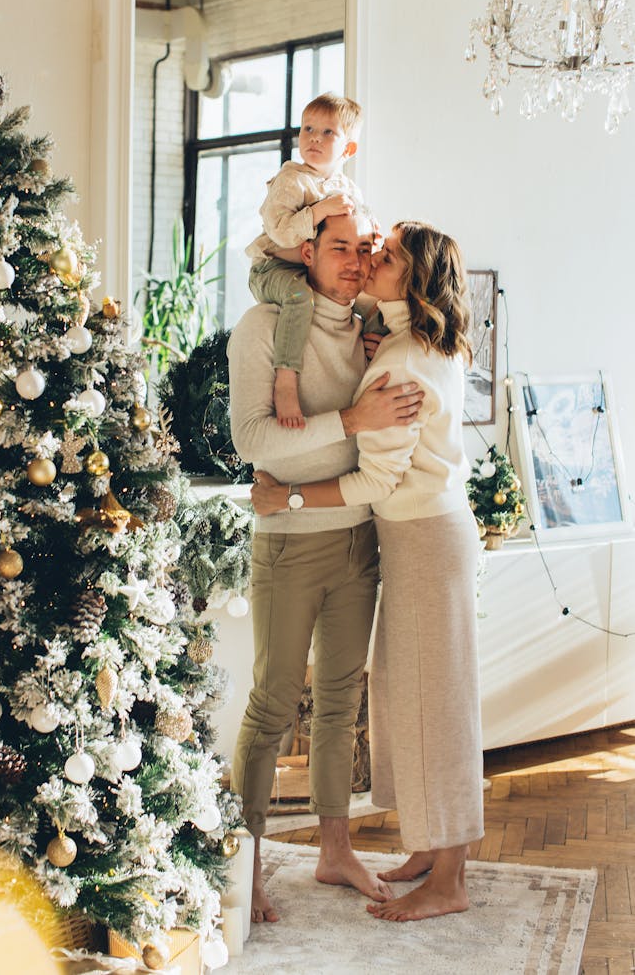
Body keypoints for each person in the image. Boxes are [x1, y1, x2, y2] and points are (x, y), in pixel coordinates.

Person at [252, 220, 485, 922]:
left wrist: (285, 495)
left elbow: (376, 481)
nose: (371, 261)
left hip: (420, 538)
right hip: (435, 535)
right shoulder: (426, 345)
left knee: (433, 707)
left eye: (385, 258)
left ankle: (448, 879)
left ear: (411, 281)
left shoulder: (399, 365)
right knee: (417, 696)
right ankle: (430, 844)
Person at [229, 208, 425, 924]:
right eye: (338, 246)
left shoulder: (370, 327)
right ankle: (243, 866)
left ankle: (335, 847)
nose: (353, 259)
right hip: (288, 539)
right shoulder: (261, 328)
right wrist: (349, 423)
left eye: (364, 248)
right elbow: (252, 436)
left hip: (361, 537)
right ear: (306, 252)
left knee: (341, 704)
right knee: (274, 704)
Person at [246, 92, 368, 429]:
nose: (314, 137)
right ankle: (286, 380)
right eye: (308, 129)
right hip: (273, 267)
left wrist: (371, 232)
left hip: (309, 268)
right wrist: (317, 212)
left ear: (348, 149)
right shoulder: (291, 180)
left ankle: (373, 348)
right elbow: (281, 232)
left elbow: (360, 224)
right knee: (300, 298)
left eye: (328, 132)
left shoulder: (347, 188)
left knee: (367, 297)